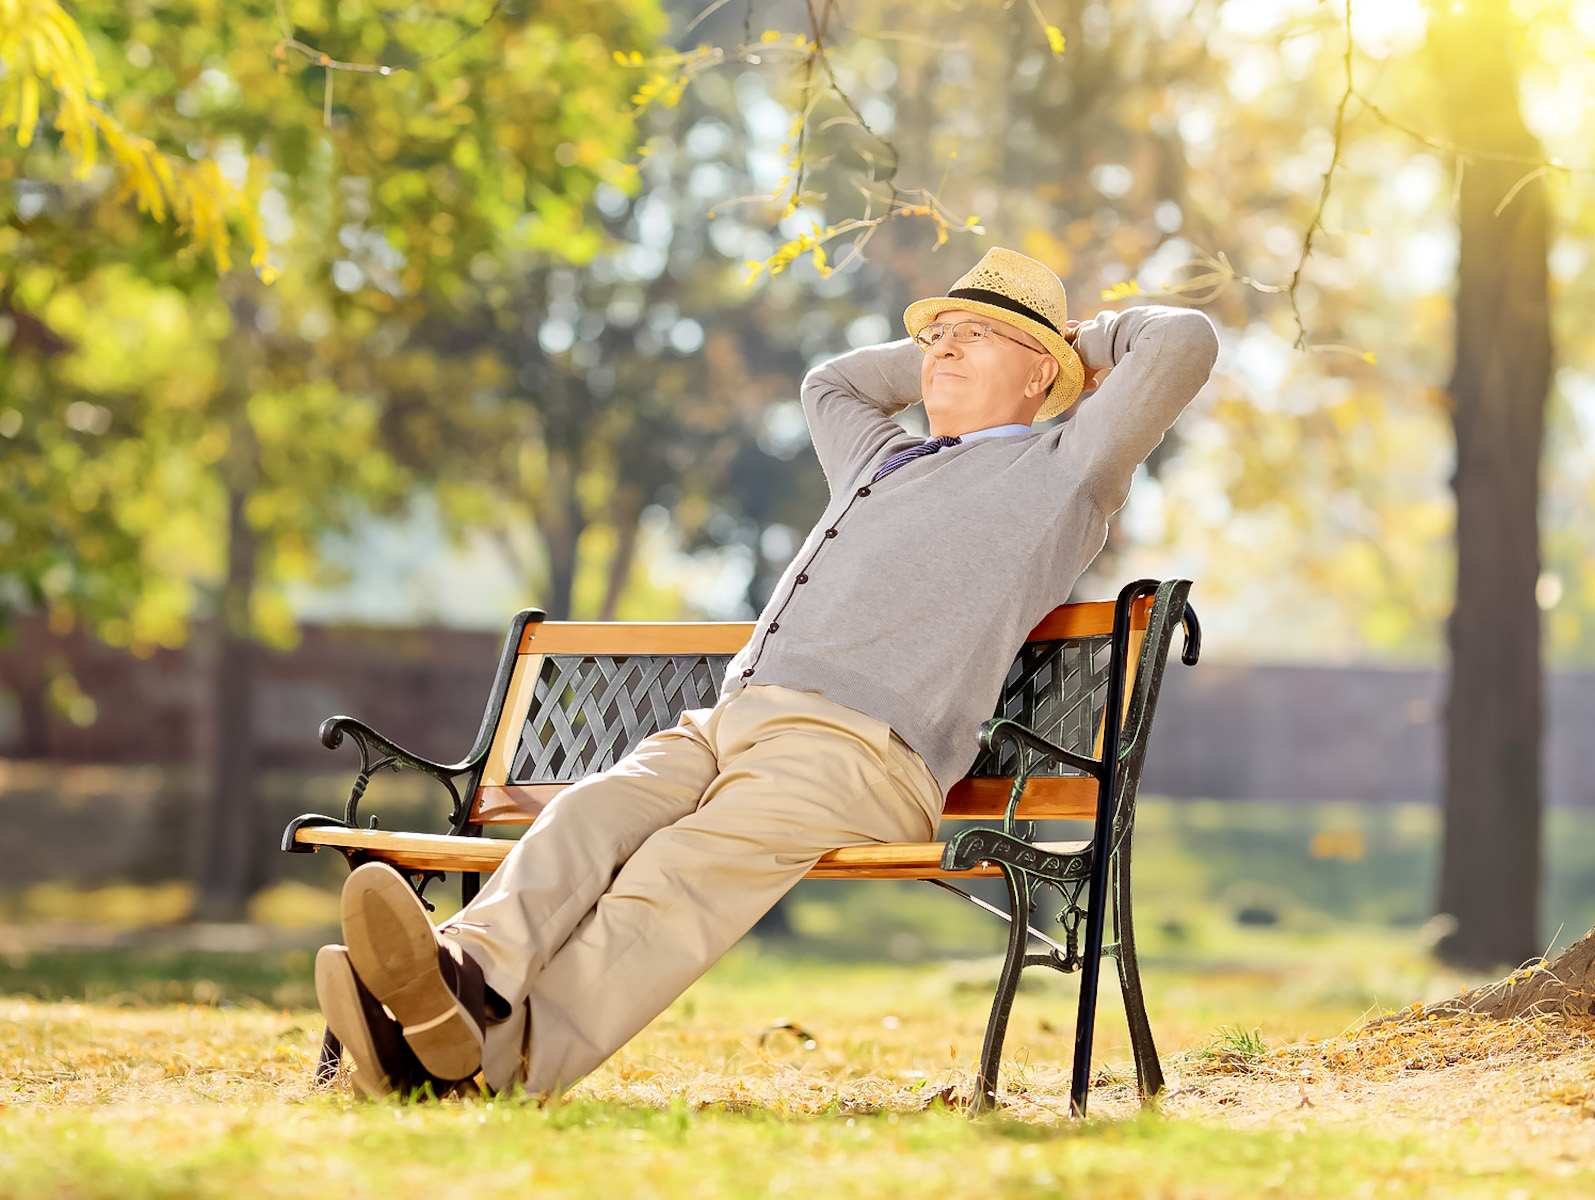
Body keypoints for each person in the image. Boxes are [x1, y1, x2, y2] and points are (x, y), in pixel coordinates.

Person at [313, 246, 1219, 1101]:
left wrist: (1079, 347)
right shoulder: (881, 457)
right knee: (590, 813)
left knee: (677, 873)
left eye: (977, 334)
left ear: (1039, 374)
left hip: (858, 752)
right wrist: (954, 346)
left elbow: (1185, 343)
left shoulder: (1063, 469)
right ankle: (463, 978)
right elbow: (831, 382)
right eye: (936, 332)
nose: (943, 346)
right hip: (727, 721)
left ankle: (495, 1064)